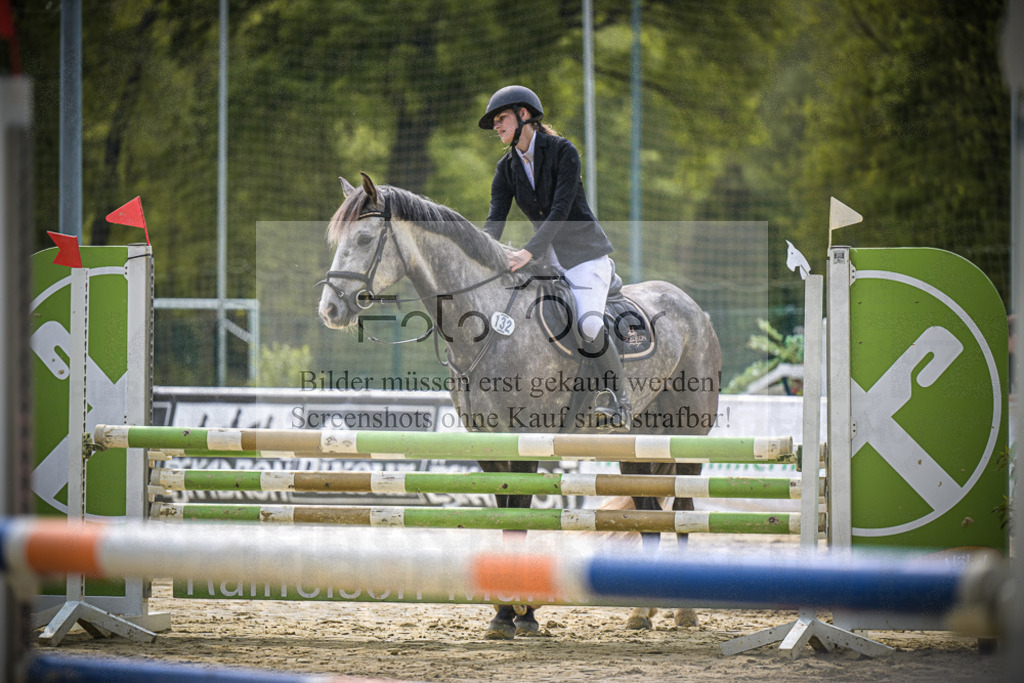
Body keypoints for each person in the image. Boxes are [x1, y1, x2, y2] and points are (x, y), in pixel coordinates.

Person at [478, 85, 631, 430]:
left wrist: (527, 252)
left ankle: (617, 397)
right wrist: (481, 255)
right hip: (546, 261)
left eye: (501, 119)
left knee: (589, 324)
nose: (497, 127)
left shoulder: (563, 151)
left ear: (524, 115)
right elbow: (494, 220)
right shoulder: (506, 169)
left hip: (585, 257)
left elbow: (561, 210)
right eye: (495, 123)